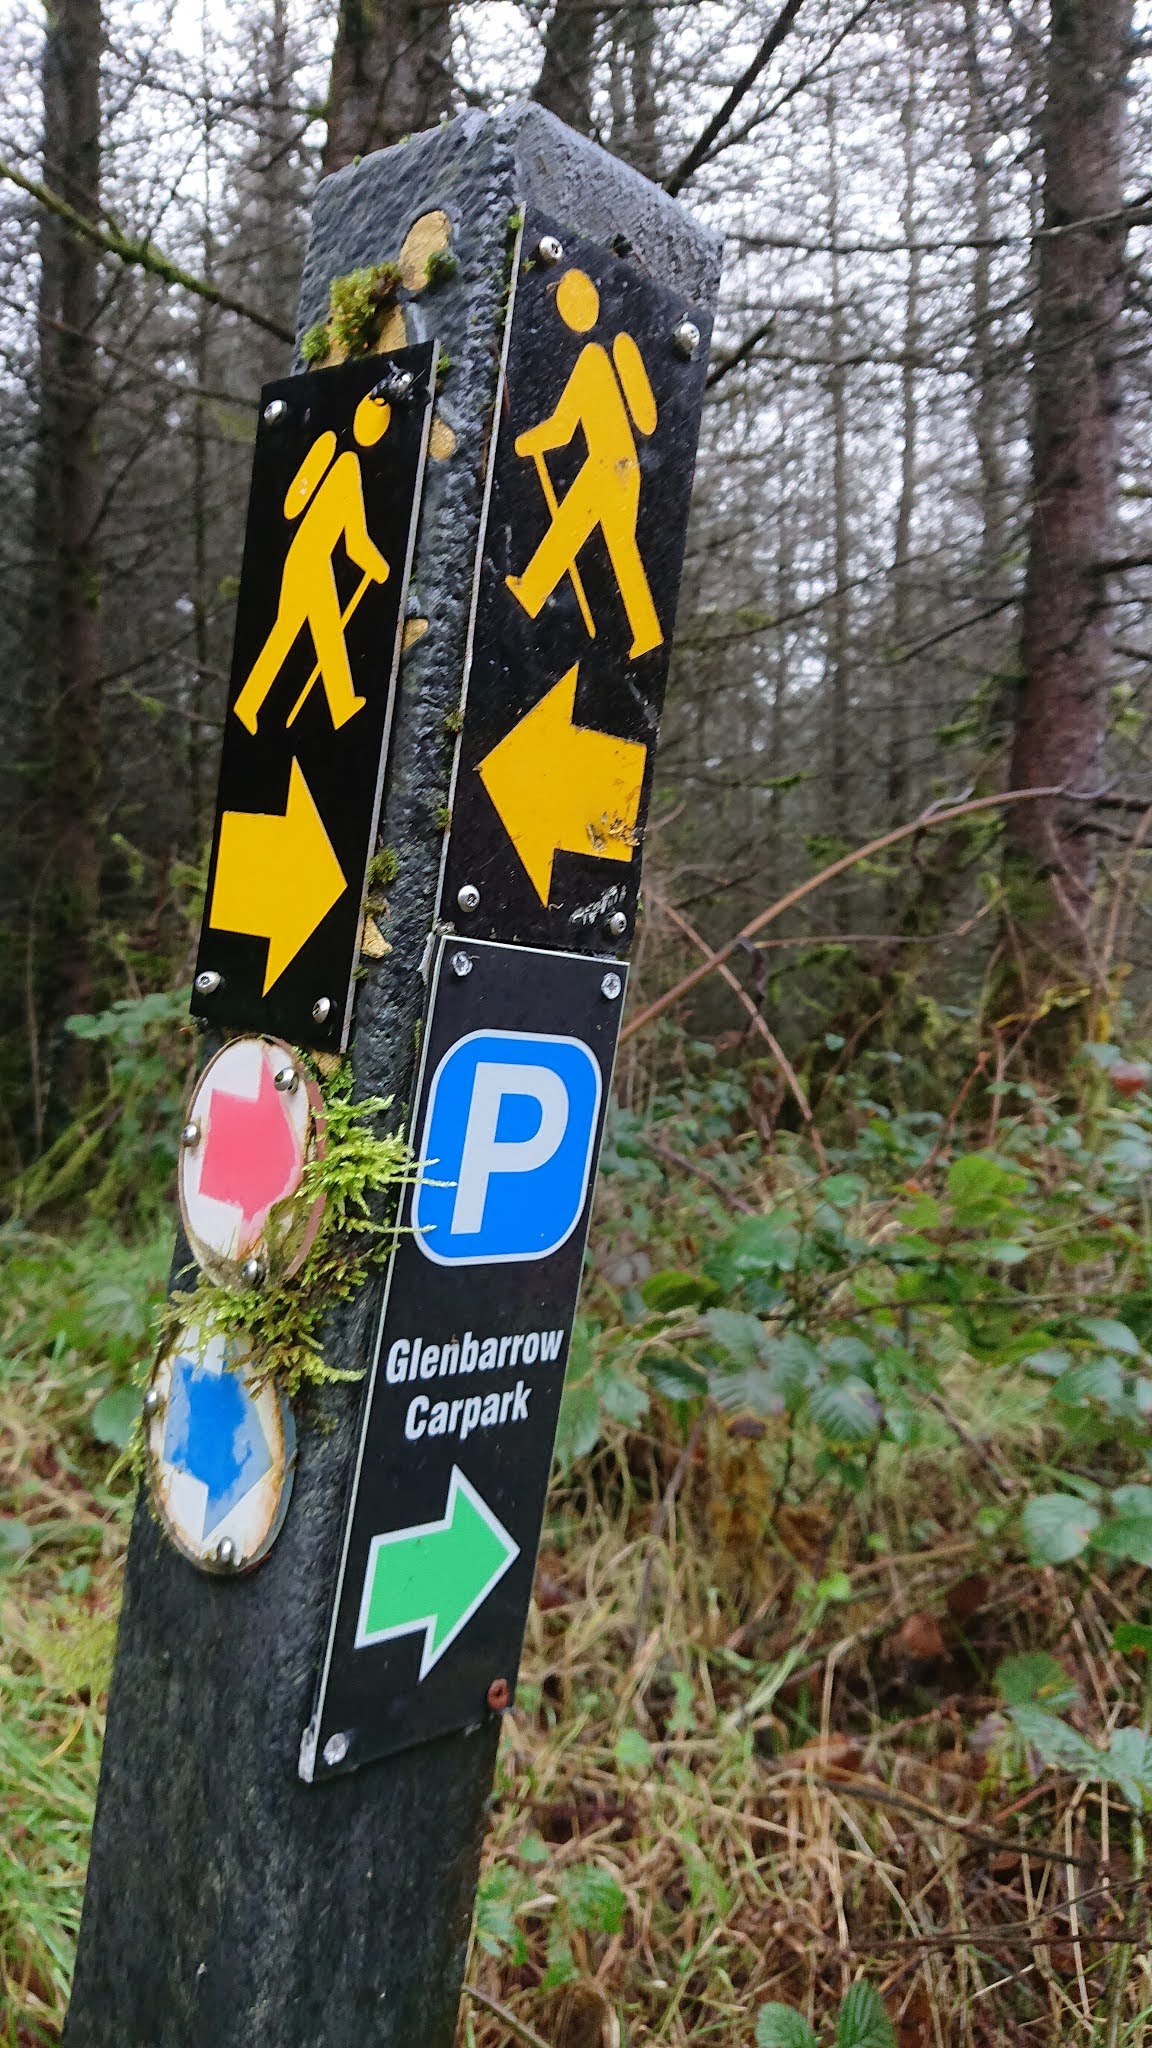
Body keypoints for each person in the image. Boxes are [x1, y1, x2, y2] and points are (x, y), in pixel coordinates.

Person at [506, 268, 663, 660]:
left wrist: (525, 442)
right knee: (615, 548)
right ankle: (644, 632)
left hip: (607, 466)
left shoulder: (591, 359)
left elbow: (562, 428)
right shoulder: (606, 354)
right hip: (624, 468)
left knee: (579, 531)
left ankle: (534, 589)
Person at [233, 390, 392, 735]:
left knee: (316, 631)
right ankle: (258, 703)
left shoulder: (329, 459)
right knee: (297, 630)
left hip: (305, 558)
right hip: (310, 560)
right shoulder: (348, 468)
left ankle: (336, 704)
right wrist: (380, 569)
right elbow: (356, 542)